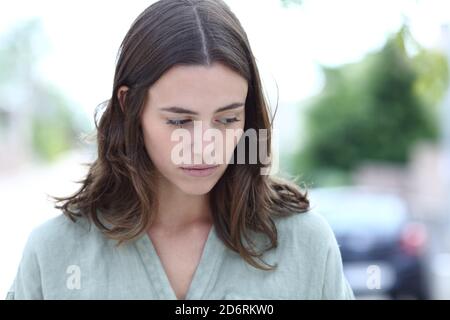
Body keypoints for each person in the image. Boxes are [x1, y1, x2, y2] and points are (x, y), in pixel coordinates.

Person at [6, 0, 354, 300]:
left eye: (228, 118)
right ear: (130, 106)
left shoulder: (304, 244)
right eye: (179, 122)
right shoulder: (53, 253)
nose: (205, 147)